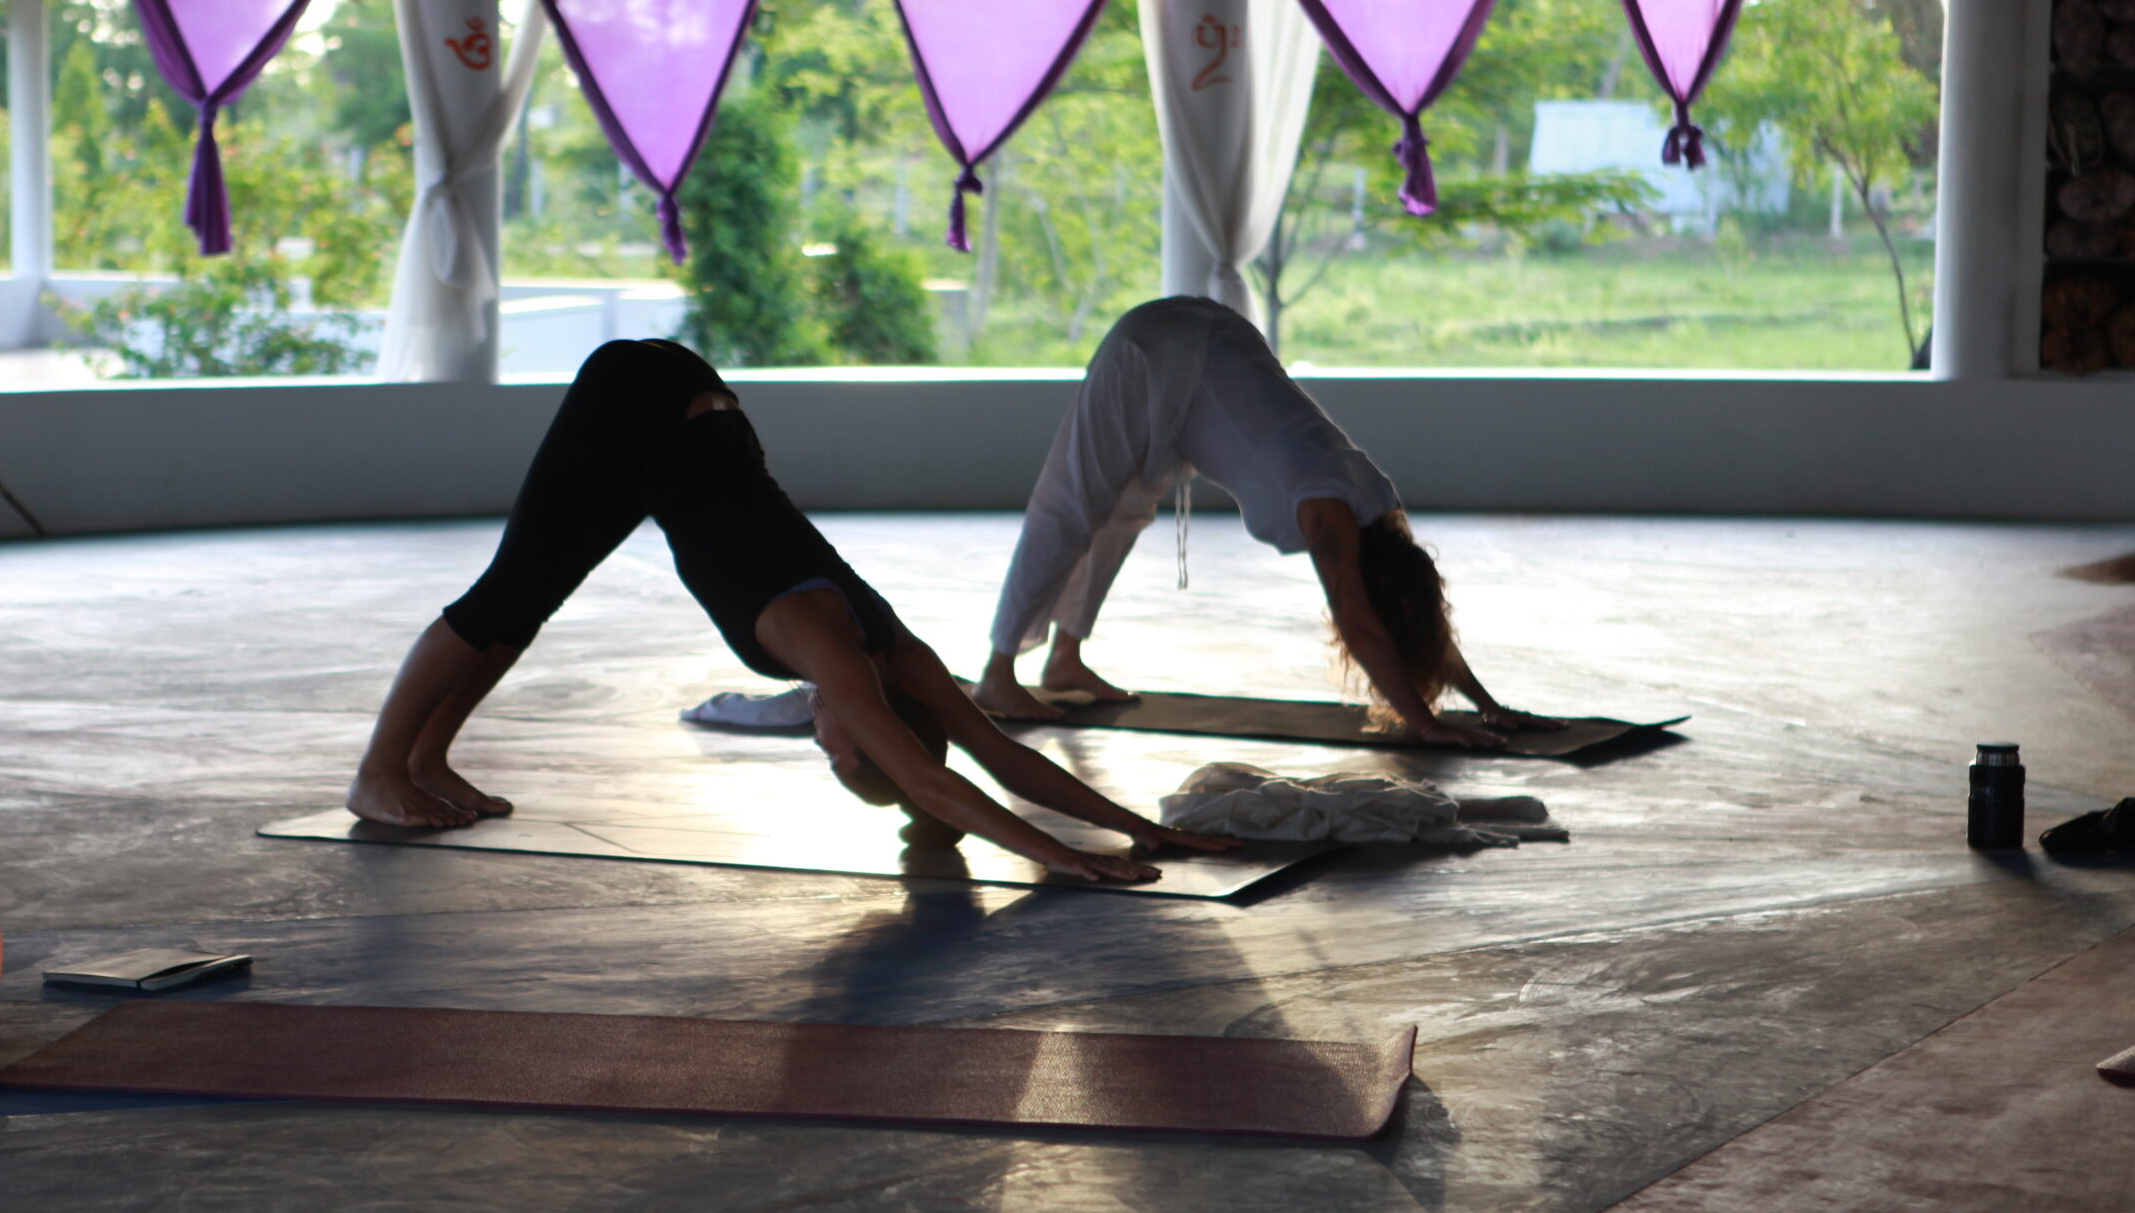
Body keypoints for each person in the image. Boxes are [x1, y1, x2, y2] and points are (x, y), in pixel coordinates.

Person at [347, 338, 1236, 884]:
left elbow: (999, 753)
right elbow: (938, 780)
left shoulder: (898, 653)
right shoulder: (837, 657)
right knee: (507, 592)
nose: (823, 742)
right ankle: (379, 770)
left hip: (692, 419)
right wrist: (1068, 855)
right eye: (840, 752)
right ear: (864, 724)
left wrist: (1142, 829)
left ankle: (429, 755)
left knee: (528, 599)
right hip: (639, 405)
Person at [973, 297, 1552, 749]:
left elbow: (1415, 613)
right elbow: (1361, 622)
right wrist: (1425, 724)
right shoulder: (1327, 508)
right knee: (1070, 504)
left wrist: (1486, 703)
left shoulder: (1379, 506)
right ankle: (998, 672)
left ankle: (1064, 658)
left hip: (1209, 346)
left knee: (1124, 509)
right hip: (1159, 348)